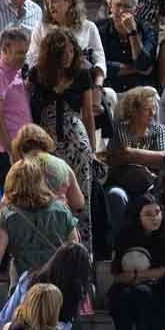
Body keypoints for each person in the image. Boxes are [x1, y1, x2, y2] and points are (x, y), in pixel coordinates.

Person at [26, 28, 97, 251]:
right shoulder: (37, 74)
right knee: (51, 196)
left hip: (76, 139)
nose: (68, 57)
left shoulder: (82, 73)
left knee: (81, 199)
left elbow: (87, 113)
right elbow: (27, 107)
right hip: (48, 143)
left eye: (70, 52)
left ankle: (83, 253)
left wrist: (93, 149)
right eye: (63, 53)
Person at [106, 194, 165, 330]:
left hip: (156, 286)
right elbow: (115, 273)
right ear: (138, 216)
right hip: (126, 285)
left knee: (142, 292)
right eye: (148, 214)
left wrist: (137, 276)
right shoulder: (123, 237)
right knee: (122, 295)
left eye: (158, 212)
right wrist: (129, 279)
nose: (155, 218)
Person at [0, 158, 80, 282]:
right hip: (57, 280)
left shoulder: (7, 214)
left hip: (25, 281)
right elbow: (74, 245)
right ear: (41, 181)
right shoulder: (62, 210)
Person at [0, 26, 32, 187]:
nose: (23, 58)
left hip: (20, 148)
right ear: (5, 49)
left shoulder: (14, 71)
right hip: (4, 151)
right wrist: (11, 150)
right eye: (19, 53)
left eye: (25, 53)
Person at [27, 0, 106, 82]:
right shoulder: (41, 27)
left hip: (82, 81)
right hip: (49, 82)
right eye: (48, 3)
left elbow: (99, 59)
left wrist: (98, 85)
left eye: (54, 1)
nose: (50, 6)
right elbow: (32, 59)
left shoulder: (89, 27)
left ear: (69, 1)